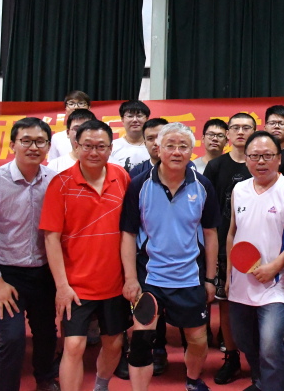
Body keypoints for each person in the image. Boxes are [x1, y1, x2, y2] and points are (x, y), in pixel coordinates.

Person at [120, 122, 221, 391]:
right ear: (158, 147)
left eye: (183, 146)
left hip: (190, 277)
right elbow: (128, 234)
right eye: (170, 145)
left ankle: (193, 380)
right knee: (141, 341)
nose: (177, 152)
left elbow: (210, 233)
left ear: (191, 150)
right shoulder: (139, 185)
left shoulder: (203, 185)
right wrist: (130, 278)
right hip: (150, 277)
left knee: (198, 340)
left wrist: (210, 279)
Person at [0, 117, 59, 391]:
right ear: (12, 145)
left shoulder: (54, 181)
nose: (33, 147)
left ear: (48, 146)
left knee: (46, 332)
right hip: (7, 275)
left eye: (40, 141)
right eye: (26, 141)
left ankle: (45, 380)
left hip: (43, 272)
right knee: (13, 338)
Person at [40, 119, 131, 391]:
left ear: (110, 148)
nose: (94, 152)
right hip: (76, 285)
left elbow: (130, 231)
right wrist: (62, 286)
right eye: (88, 146)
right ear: (76, 146)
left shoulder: (121, 177)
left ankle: (101, 385)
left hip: (113, 283)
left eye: (101, 146)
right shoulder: (60, 184)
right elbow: (51, 238)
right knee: (74, 345)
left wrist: (130, 278)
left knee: (114, 343)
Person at [226, 131, 284, 391]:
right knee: (244, 341)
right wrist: (228, 275)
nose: (260, 161)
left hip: (276, 283)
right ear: (246, 159)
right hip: (241, 281)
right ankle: (261, 383)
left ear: (279, 158)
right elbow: (232, 233)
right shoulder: (239, 189)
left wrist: (274, 267)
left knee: (271, 345)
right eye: (254, 156)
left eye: (267, 156)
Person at [204, 112, 257, 385]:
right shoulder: (216, 166)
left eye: (246, 127)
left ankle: (259, 360)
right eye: (235, 127)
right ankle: (231, 357)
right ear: (228, 134)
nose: (240, 132)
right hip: (225, 246)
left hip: (260, 249)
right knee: (225, 305)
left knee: (260, 304)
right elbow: (208, 213)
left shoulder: (262, 163)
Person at [47, 108, 96, 173]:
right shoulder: (55, 166)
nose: (81, 133)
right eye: (76, 129)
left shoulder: (106, 163)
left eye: (87, 128)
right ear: (68, 133)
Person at [110, 100, 151, 171]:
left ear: (147, 119)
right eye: (130, 116)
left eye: (139, 116)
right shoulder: (112, 146)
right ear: (122, 119)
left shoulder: (153, 146)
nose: (135, 120)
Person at [49, 90, 91, 160]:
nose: (76, 107)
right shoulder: (57, 138)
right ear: (66, 109)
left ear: (89, 108)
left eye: (81, 103)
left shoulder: (100, 135)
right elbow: (53, 163)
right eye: (71, 104)